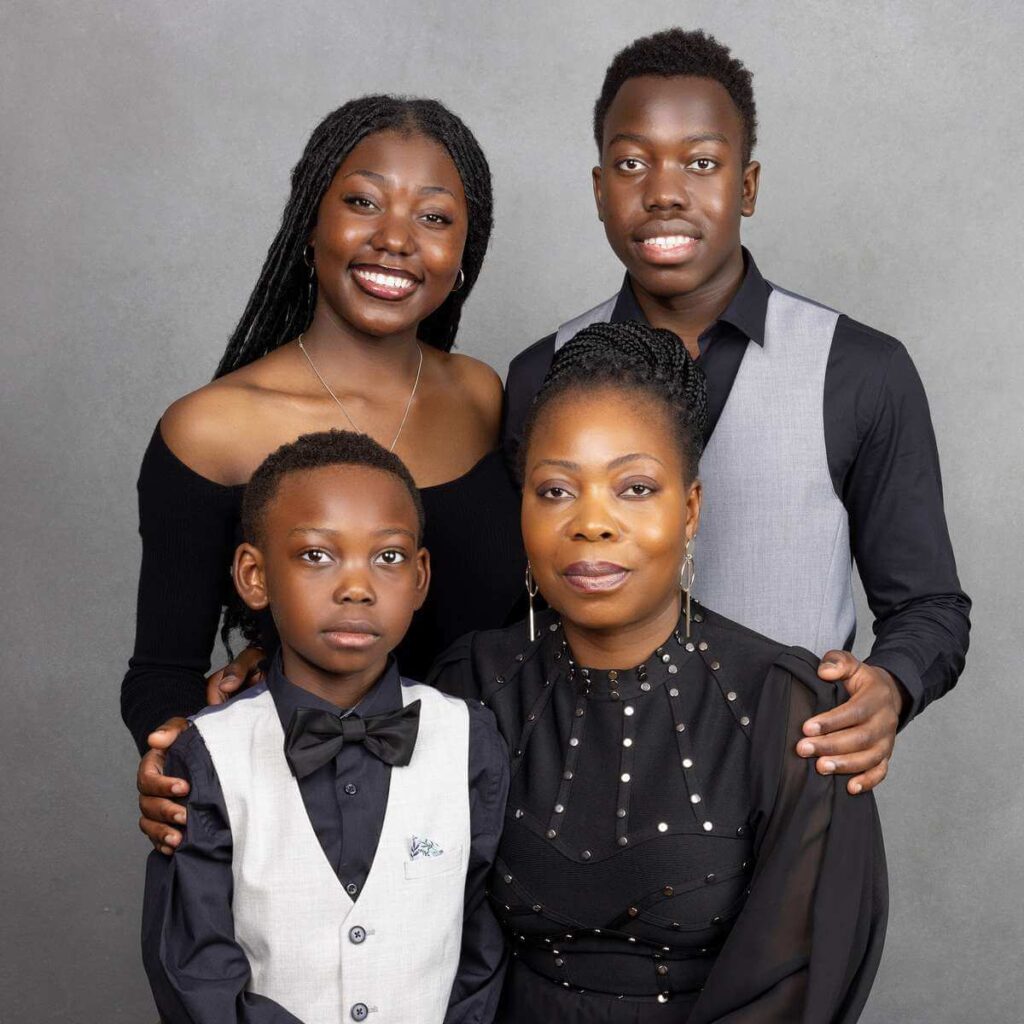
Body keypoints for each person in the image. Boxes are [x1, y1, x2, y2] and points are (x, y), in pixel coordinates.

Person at [502, 28, 970, 796]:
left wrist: (891, 685)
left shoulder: (860, 371)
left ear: (746, 187)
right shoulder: (539, 376)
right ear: (597, 190)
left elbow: (929, 605)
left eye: (700, 162)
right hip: (579, 800)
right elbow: (496, 602)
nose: (663, 190)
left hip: (789, 798)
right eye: (631, 163)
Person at [432, 322, 887, 1021]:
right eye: (555, 491)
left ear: (691, 510)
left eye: (635, 488)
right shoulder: (468, 686)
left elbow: (796, 986)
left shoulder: (791, 709)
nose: (592, 523)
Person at [125, 95, 525, 855]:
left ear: (466, 249)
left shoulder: (482, 398)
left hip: (486, 815)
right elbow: (162, 670)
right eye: (363, 203)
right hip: (298, 819)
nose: (396, 239)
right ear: (311, 221)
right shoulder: (211, 428)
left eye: (435, 218)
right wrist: (173, 753)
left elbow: (521, 619)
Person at [142, 429, 509, 1023]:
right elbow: (195, 973)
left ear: (419, 577)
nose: (357, 588)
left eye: (387, 557)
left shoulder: (471, 741)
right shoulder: (207, 754)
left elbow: (482, 945)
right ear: (254, 576)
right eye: (317, 555)